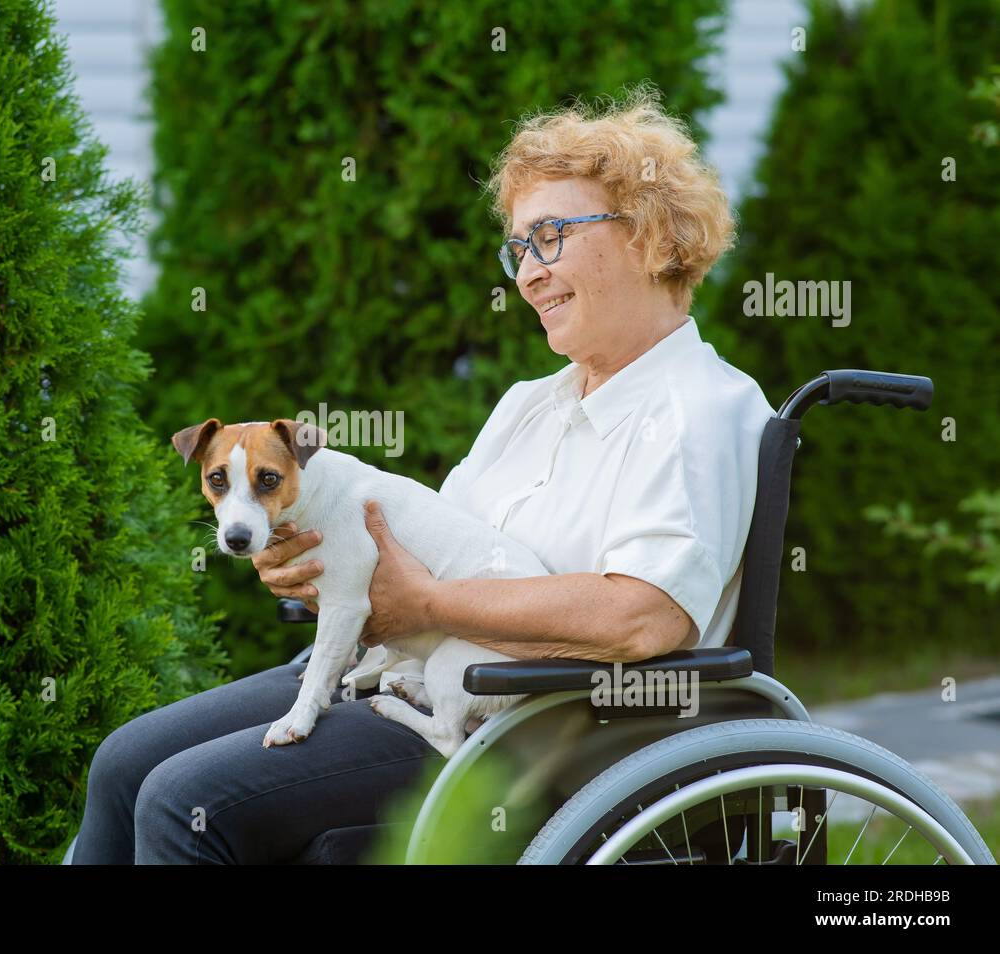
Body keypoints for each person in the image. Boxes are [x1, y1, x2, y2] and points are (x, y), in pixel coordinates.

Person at [70, 88, 773, 864]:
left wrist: (427, 603)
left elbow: (642, 620)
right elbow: (419, 547)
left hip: (535, 731)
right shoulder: (531, 404)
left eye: (549, 238)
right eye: (518, 249)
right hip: (405, 671)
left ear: (648, 236)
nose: (527, 274)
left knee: (184, 801)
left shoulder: (697, 409)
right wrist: (316, 560)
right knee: (124, 764)